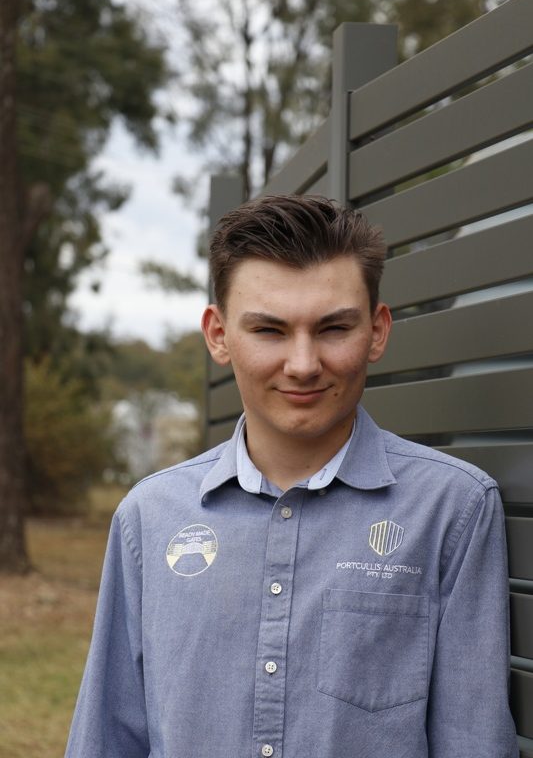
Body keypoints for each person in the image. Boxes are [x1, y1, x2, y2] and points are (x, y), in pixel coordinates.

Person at [65, 195, 518, 758]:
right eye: (269, 330)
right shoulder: (149, 517)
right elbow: (107, 738)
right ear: (218, 335)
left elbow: (473, 741)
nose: (303, 364)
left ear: (377, 331)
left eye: (333, 328)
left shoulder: (453, 509)